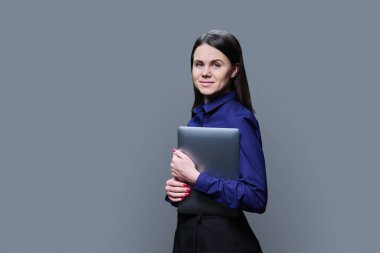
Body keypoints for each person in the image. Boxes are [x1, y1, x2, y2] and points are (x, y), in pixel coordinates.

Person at [165, 29, 267, 253]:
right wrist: (175, 190)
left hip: (224, 244)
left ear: (234, 70)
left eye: (216, 64)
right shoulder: (196, 118)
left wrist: (196, 178)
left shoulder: (241, 120)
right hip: (187, 241)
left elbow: (257, 197)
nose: (205, 73)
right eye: (199, 64)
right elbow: (196, 186)